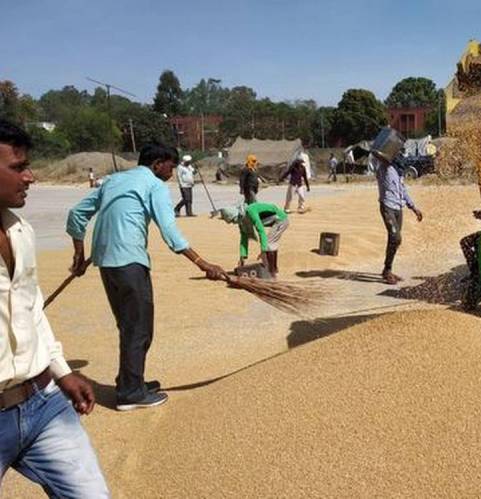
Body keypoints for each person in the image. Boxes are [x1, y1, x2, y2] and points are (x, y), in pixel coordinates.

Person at [66, 143, 227, 412]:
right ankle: (130, 394)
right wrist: (203, 263)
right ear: (157, 164)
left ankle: (130, 381)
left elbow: (77, 214)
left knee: (128, 324)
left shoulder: (114, 180)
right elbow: (169, 230)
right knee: (139, 327)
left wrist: (79, 256)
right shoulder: (154, 185)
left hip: (106, 263)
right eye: (170, 166)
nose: (171, 172)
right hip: (129, 262)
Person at [0, 119, 109, 496]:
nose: (30, 177)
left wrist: (60, 371)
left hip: (40, 403)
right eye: (17, 168)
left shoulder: (21, 231)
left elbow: (31, 309)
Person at [373, 150, 423, 285]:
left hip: (398, 208)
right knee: (396, 237)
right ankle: (387, 270)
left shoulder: (399, 173)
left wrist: (414, 208)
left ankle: (387, 269)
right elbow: (377, 154)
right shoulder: (385, 168)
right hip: (387, 206)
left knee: (395, 241)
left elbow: (403, 192)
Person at [219, 202, 289, 278]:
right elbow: (244, 238)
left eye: (233, 220)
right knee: (270, 243)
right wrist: (242, 257)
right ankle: (273, 269)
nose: (233, 223)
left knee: (269, 244)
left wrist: (263, 251)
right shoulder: (243, 219)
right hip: (275, 221)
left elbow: (261, 231)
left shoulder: (250, 211)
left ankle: (272, 272)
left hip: (281, 220)